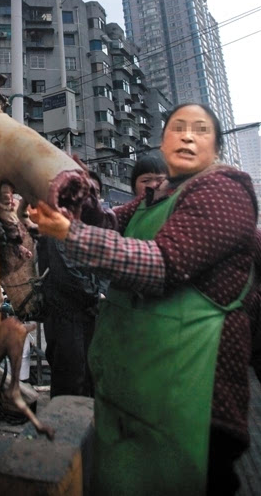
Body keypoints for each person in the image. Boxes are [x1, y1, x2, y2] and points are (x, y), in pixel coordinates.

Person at [29, 103, 258, 496]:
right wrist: (76, 191)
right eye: (177, 128)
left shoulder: (226, 192)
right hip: (135, 388)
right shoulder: (156, 196)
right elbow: (109, 223)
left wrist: (72, 235)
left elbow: (162, 265)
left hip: (192, 399)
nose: (186, 136)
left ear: (216, 147)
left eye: (199, 130)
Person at [36, 170, 106, 398]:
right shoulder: (60, 224)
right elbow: (66, 272)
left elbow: (105, 267)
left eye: (94, 193)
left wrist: (100, 292)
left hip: (88, 315)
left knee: (89, 383)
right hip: (66, 318)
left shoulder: (93, 229)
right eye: (85, 193)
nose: (90, 199)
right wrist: (95, 294)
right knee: (71, 387)